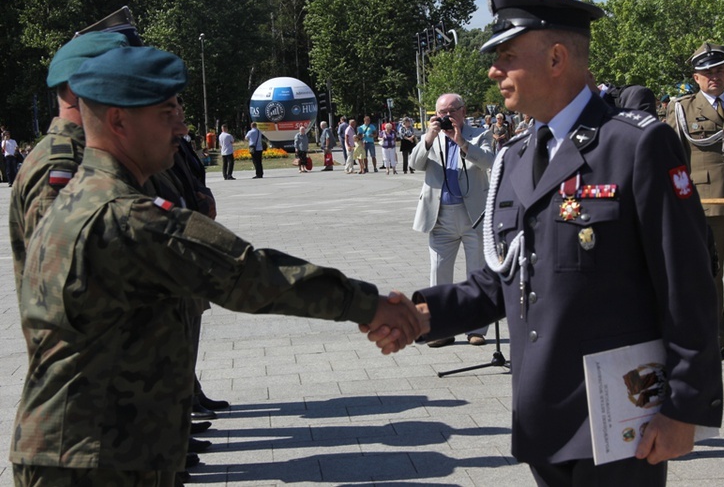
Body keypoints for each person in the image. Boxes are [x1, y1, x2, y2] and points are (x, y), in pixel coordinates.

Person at [10, 45, 427, 487]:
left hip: (90, 448)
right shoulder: (125, 218)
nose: (182, 125)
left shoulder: (86, 197)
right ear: (118, 121)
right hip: (95, 459)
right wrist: (371, 306)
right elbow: (249, 276)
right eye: (166, 112)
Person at [371, 0, 723, 484]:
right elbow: (502, 279)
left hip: (622, 420)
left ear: (556, 58)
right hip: (544, 416)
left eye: (507, 57)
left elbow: (688, 284)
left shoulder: (635, 145)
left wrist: (685, 407)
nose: (494, 72)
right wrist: (422, 315)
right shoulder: (516, 156)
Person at [9, 32, 130, 296]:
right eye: (118, 81)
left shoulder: (88, 153)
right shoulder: (61, 164)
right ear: (79, 88)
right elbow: (57, 279)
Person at [666, 42, 724, 359]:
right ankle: (714, 340)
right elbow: (673, 162)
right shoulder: (682, 110)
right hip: (706, 207)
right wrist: (678, 207)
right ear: (696, 78)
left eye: (719, 70)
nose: (714, 76)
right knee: (708, 279)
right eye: (707, 72)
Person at [409, 93, 495, 348]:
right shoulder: (431, 137)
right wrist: (429, 137)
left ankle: (476, 329)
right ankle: (441, 329)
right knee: (439, 274)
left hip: (474, 215)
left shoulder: (480, 134)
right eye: (440, 112)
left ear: (463, 111)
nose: (446, 117)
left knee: (477, 273)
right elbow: (415, 164)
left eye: (450, 111)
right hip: (440, 215)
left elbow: (490, 161)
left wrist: (463, 143)